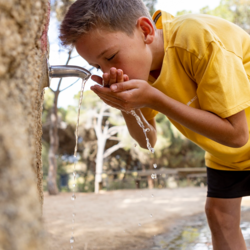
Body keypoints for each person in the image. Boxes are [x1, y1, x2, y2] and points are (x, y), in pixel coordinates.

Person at [59, 0, 250, 249]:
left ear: (146, 31)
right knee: (220, 216)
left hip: (236, 137)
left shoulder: (195, 38)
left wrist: (156, 99)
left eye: (110, 57)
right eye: (98, 66)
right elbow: (147, 140)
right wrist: (125, 106)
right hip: (226, 156)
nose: (108, 72)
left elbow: (237, 134)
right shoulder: (142, 71)